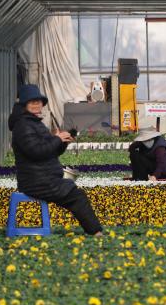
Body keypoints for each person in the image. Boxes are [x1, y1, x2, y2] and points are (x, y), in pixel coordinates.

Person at [8, 84, 103, 236]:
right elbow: (37, 152)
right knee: (76, 196)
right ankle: (96, 232)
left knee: (74, 192)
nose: (37, 105)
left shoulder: (33, 123)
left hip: (43, 178)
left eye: (39, 102)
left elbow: (50, 151)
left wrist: (62, 142)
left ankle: (95, 230)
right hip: (36, 181)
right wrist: (57, 139)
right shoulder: (23, 126)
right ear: (24, 105)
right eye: (32, 102)